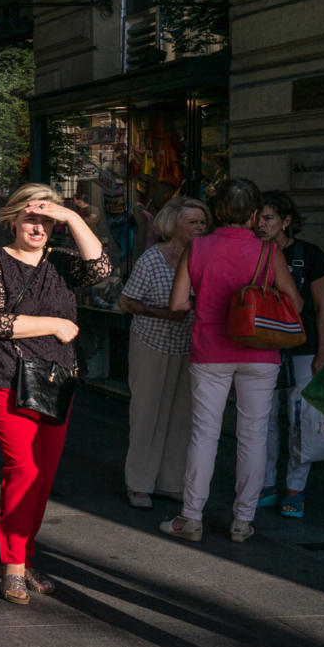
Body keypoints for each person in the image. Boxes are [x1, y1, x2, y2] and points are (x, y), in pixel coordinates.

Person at [0, 183, 111, 604]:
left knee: (44, 474)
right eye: (30, 218)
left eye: (46, 221)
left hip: (55, 378)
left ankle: (26, 554)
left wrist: (70, 216)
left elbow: (101, 269)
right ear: (13, 219)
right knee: (24, 468)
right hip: (4, 374)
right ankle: (13, 564)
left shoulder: (63, 261)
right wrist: (54, 324)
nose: (38, 227)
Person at [158, 178, 302, 544]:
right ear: (254, 214)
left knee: (204, 434)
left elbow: (177, 303)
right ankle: (242, 520)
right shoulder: (269, 251)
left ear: (218, 212)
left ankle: (191, 517)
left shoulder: (198, 246)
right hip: (260, 351)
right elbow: (295, 304)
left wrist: (208, 301)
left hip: (210, 350)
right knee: (253, 435)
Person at [119, 198, 211, 509]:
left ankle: (171, 483)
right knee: (147, 413)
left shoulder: (204, 258)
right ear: (173, 225)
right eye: (192, 222)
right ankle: (139, 484)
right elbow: (125, 302)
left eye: (203, 222)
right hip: (151, 342)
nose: (199, 228)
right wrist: (163, 314)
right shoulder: (152, 259)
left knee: (183, 416)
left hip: (189, 345)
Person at [254, 190, 324, 517]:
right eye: (257, 218)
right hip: (263, 346)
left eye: (268, 218)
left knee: (301, 422)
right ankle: (267, 484)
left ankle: (295, 490)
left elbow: (321, 306)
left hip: (304, 348)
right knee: (265, 420)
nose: (260, 224)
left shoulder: (309, 254)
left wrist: (323, 351)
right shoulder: (252, 250)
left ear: (286, 221)